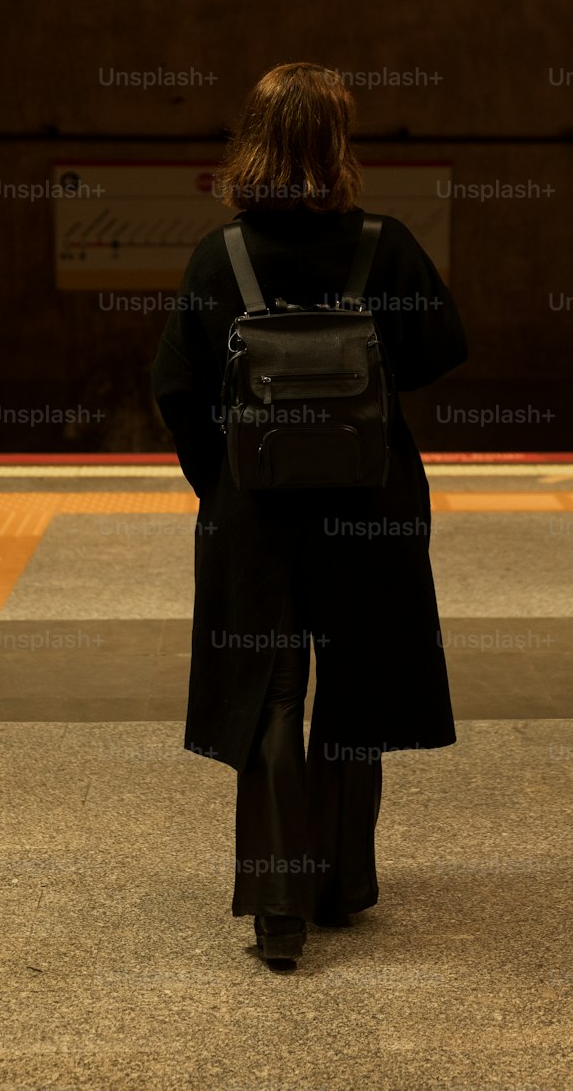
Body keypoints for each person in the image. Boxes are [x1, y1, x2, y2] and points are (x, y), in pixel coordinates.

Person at [150, 62, 467, 972]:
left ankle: (278, 912)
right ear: (339, 144)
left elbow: (177, 387)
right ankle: (341, 886)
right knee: (357, 691)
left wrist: (226, 483)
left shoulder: (224, 257)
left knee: (271, 694)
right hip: (372, 508)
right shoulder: (387, 245)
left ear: (250, 141)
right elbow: (443, 350)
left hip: (258, 509)